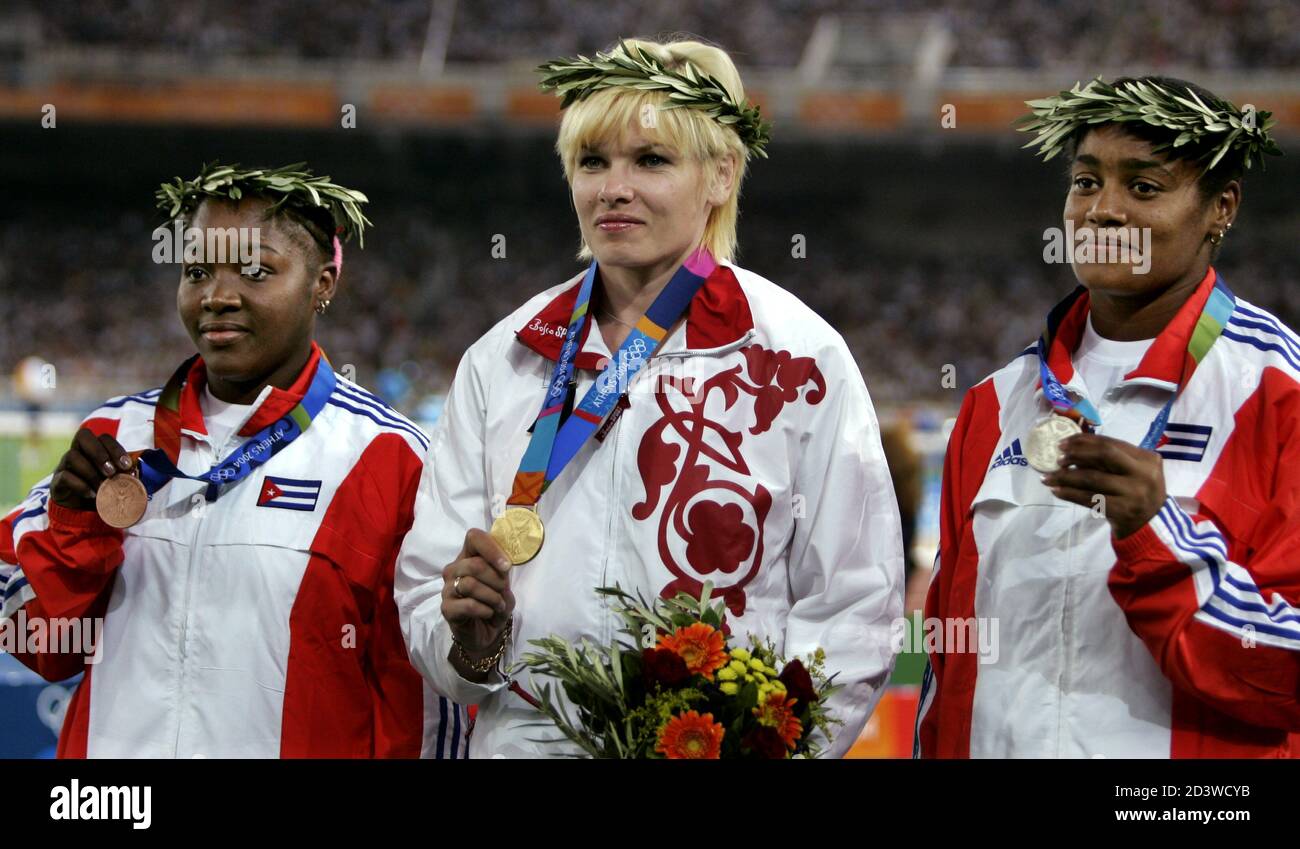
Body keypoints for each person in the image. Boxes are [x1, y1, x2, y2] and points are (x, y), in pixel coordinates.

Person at [396, 37, 904, 758]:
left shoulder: (799, 360)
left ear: (721, 174)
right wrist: (468, 646)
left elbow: (855, 604)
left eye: (652, 160)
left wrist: (770, 748)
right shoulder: (503, 359)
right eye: (593, 161)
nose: (614, 188)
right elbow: (426, 586)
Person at [0, 162, 467, 758]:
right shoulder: (111, 434)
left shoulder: (389, 459)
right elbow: (39, 643)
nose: (218, 296)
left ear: (323, 283)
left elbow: (423, 707)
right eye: (197, 272)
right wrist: (72, 531)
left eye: (255, 271)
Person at [916, 76, 1294, 757]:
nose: (1104, 212)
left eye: (1143, 188)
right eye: (1086, 182)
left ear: (1221, 207)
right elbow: (950, 657)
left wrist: (1158, 536)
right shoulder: (994, 404)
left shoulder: (1279, 395)